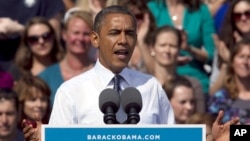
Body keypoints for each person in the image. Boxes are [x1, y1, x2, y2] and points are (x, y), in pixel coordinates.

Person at [22, 5, 175, 140]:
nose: (123, 40)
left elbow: (173, 137)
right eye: (115, 32)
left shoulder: (151, 87)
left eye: (129, 33)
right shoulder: (70, 91)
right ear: (95, 39)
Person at [147, 0, 216, 94]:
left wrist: (188, 48)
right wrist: (171, 58)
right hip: (160, 77)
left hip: (195, 78)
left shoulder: (201, 10)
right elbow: (146, 47)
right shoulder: (152, 8)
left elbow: (211, 55)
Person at [139, 25, 205, 112]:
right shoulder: (140, 83)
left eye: (173, 46)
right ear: (152, 48)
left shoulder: (193, 84)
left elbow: (199, 119)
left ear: (179, 49)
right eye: (163, 45)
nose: (167, 50)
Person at [38, 9, 95, 104]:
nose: (80, 38)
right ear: (64, 34)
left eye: (86, 34)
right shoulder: (45, 77)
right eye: (76, 33)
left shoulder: (102, 73)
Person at [210, 0, 250, 95]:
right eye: (237, 15)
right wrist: (227, 64)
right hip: (231, 100)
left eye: (248, 14)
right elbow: (213, 92)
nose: (243, 18)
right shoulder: (225, 46)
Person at [8, 17, 65, 81]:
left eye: (46, 36)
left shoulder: (65, 64)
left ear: (53, 37)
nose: (41, 42)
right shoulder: (18, 71)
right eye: (34, 39)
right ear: (27, 42)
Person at [208, 38, 250, 124]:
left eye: (249, 57)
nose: (245, 62)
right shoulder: (221, 97)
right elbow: (212, 129)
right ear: (232, 62)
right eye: (241, 56)